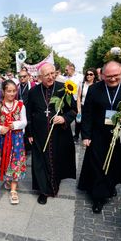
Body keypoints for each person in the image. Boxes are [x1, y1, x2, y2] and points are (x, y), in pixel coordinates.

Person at [78, 61, 121, 213]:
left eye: (116, 76)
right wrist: (86, 135)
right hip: (99, 134)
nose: (112, 79)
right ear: (102, 75)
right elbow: (88, 113)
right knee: (99, 164)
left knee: (117, 163)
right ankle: (98, 197)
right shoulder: (94, 89)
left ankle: (110, 185)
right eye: (108, 76)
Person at [27, 63, 77, 205]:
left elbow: (74, 110)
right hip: (39, 134)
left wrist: (64, 118)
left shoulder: (63, 89)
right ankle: (43, 191)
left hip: (58, 134)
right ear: (40, 77)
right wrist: (29, 133)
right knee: (40, 163)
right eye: (46, 75)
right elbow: (28, 114)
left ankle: (54, 185)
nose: (50, 77)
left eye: (52, 73)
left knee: (55, 160)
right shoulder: (33, 92)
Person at [0, 80, 27, 205]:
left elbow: (24, 122)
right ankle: (8, 179)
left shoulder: (20, 105)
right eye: (9, 91)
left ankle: (13, 190)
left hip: (16, 139)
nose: (12, 94)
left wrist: (15, 124)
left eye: (14, 91)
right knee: (5, 161)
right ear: (3, 91)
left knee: (15, 162)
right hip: (3, 139)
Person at [75, 68, 98, 142]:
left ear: (94, 76)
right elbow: (78, 97)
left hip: (92, 108)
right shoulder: (82, 84)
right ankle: (76, 136)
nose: (88, 76)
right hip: (83, 106)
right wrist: (79, 109)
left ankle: (88, 138)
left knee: (90, 122)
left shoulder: (97, 85)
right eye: (87, 74)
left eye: (91, 74)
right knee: (79, 122)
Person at [17, 69, 32, 154]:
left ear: (28, 77)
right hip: (19, 110)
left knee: (29, 127)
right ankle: (22, 146)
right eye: (20, 77)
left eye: (24, 76)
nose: (22, 78)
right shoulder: (17, 86)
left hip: (29, 110)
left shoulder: (33, 85)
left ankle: (29, 146)